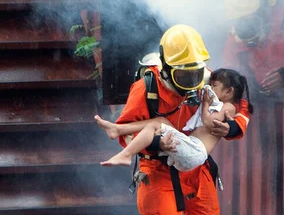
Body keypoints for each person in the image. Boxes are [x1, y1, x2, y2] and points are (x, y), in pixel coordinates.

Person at [106, 24, 251, 215]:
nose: (192, 79)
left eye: (196, 73)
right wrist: (157, 143)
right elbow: (125, 131)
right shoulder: (146, 87)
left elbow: (240, 105)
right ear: (168, 68)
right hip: (158, 168)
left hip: (197, 169)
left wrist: (231, 128)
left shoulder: (208, 79)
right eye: (185, 74)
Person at [95, 69, 254, 172]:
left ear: (228, 91)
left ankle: (126, 154)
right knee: (159, 123)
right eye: (210, 85)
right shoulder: (149, 83)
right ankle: (118, 130)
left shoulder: (228, 106)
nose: (209, 88)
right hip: (179, 154)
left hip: (195, 152)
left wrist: (206, 104)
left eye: (214, 86)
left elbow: (209, 122)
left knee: (155, 125)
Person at [223, 0, 284, 101]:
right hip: (264, 109)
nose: (243, 25)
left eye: (248, 17)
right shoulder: (234, 42)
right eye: (240, 20)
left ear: (262, 9)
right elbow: (227, 81)